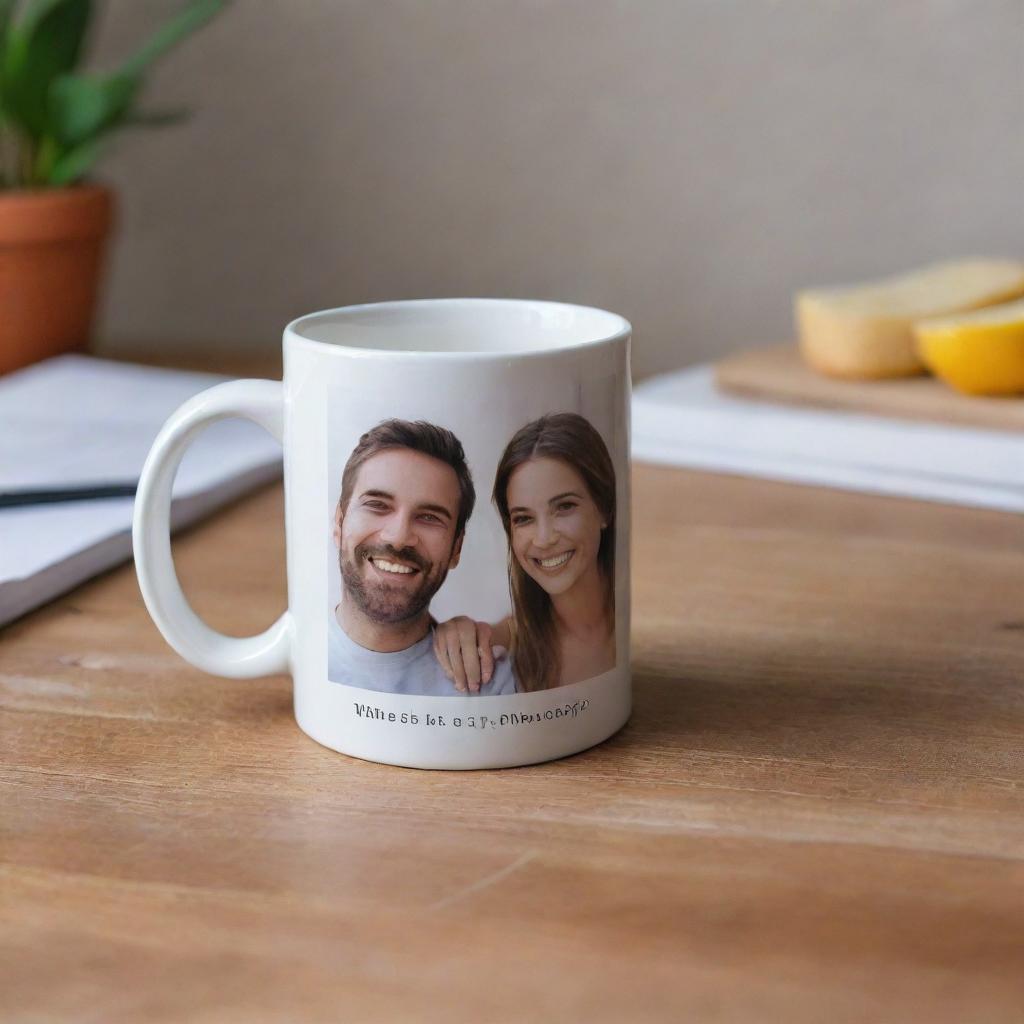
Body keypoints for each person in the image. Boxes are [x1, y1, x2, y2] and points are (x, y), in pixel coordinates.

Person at [329, 418, 517, 696]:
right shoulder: (302, 654)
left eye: (429, 518)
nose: (399, 537)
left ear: (456, 549)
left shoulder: (491, 683)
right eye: (377, 505)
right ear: (339, 523)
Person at [435, 413, 616, 692]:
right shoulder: (508, 645)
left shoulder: (634, 621)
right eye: (523, 518)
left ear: (604, 508)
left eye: (564, 507)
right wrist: (458, 633)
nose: (543, 539)